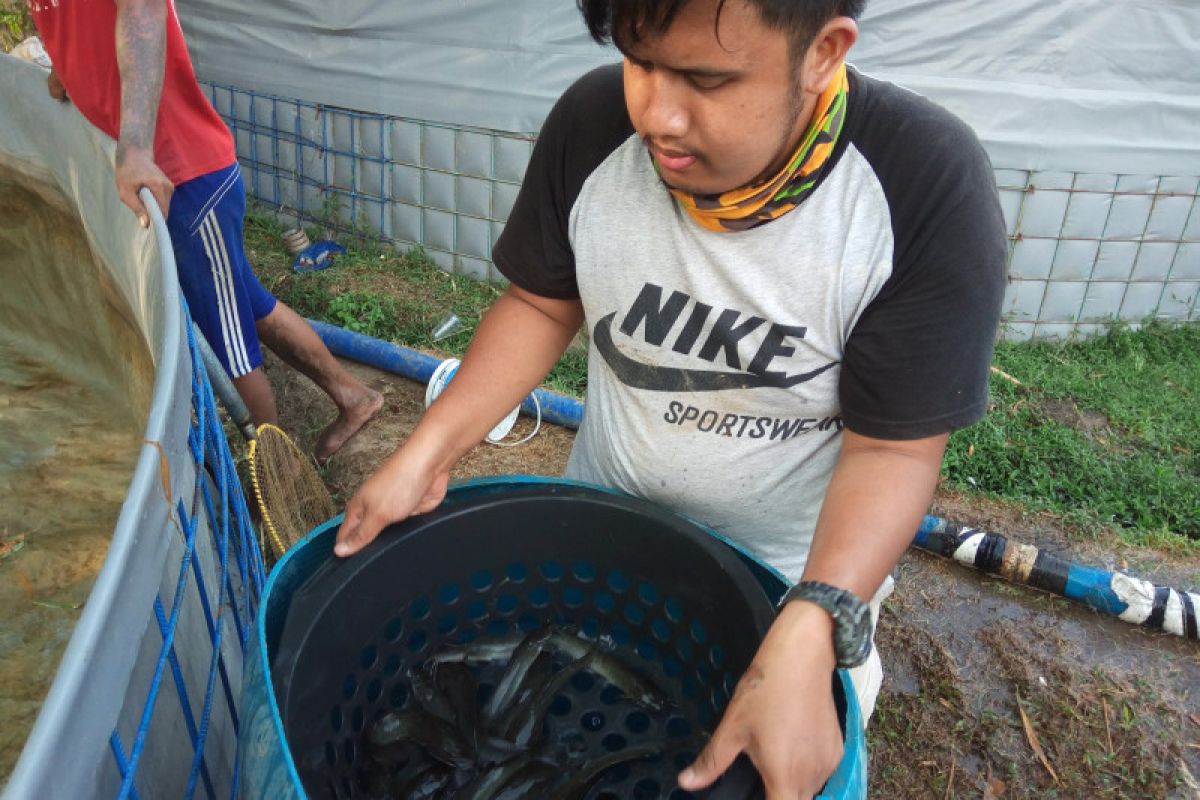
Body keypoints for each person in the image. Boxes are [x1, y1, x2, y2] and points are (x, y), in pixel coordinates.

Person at [336, 0, 1007, 795]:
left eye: (705, 79)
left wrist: (816, 616)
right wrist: (427, 450)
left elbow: (892, 449)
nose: (656, 114)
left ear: (822, 52)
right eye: (640, 61)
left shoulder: (921, 184)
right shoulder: (593, 123)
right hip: (600, 540)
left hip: (788, 579)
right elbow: (541, 305)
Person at [29, 0, 383, 463]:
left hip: (183, 178)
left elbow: (143, 10)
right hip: (168, 176)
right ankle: (354, 397)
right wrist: (66, 73)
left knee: (231, 353)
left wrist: (135, 149)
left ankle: (278, 477)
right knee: (249, 306)